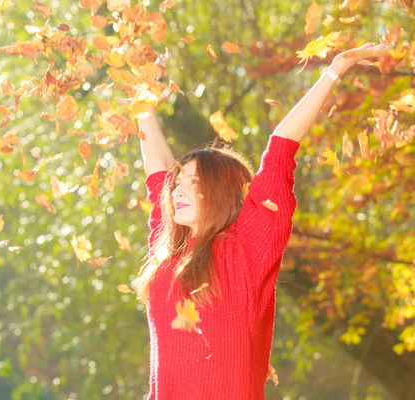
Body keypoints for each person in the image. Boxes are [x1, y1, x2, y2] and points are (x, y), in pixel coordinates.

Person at [126, 42, 388, 400]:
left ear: (222, 192)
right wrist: (144, 101)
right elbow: (158, 173)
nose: (177, 191)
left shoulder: (245, 248)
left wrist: (335, 71)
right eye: (179, 183)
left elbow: (281, 147)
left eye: (195, 183)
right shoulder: (169, 248)